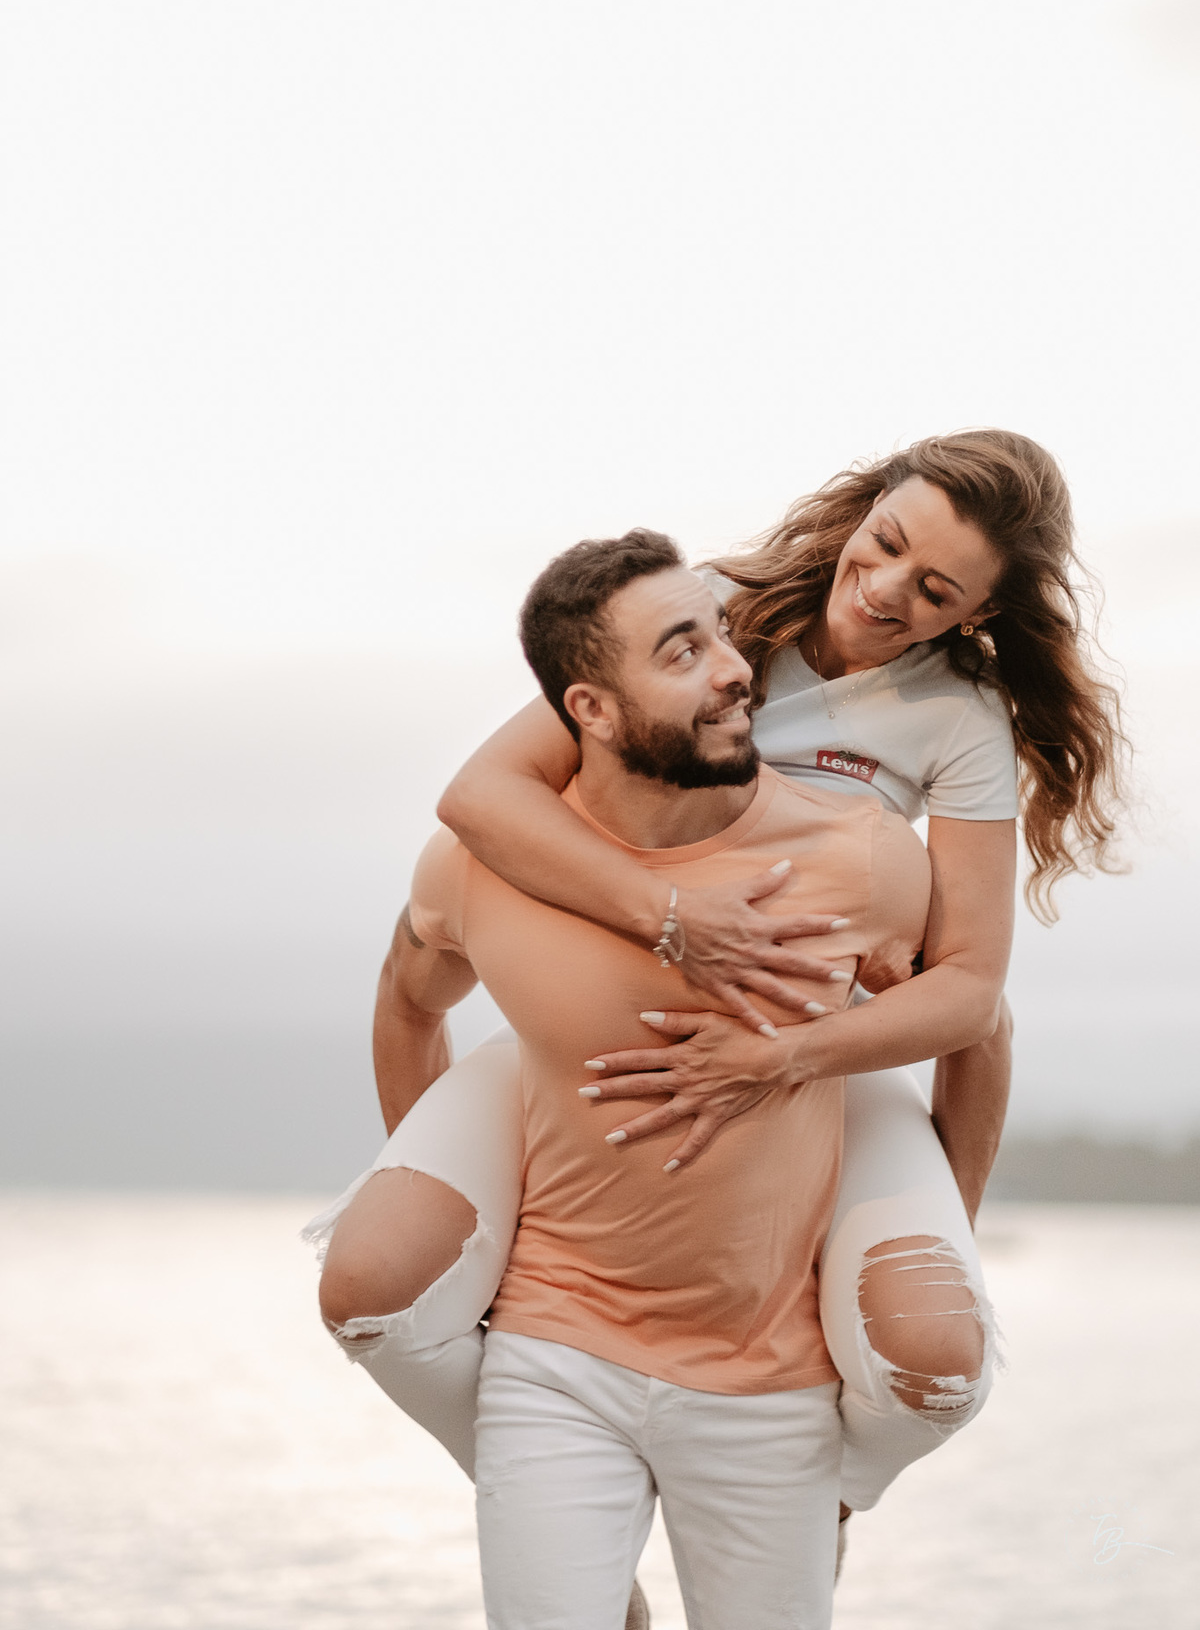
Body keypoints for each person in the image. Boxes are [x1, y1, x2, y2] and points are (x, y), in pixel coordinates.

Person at [306, 430, 1125, 1597]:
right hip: (607, 1005)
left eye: (934, 589)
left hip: (811, 1045)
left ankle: (838, 1475)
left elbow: (970, 989)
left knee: (936, 1325)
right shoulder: (714, 616)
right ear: (865, 510)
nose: (885, 589)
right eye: (885, 543)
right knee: (374, 1282)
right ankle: (541, 1484)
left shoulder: (959, 721)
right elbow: (484, 795)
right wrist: (666, 916)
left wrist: (787, 1054)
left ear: (976, 616)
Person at [321, 529, 950, 1629]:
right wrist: (472, 1235)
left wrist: (947, 1227)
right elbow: (408, 997)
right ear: (592, 712)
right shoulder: (483, 867)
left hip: (772, 1386)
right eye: (681, 652)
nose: (733, 671)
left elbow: (973, 1020)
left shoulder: (861, 855)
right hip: (555, 1360)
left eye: (718, 637)